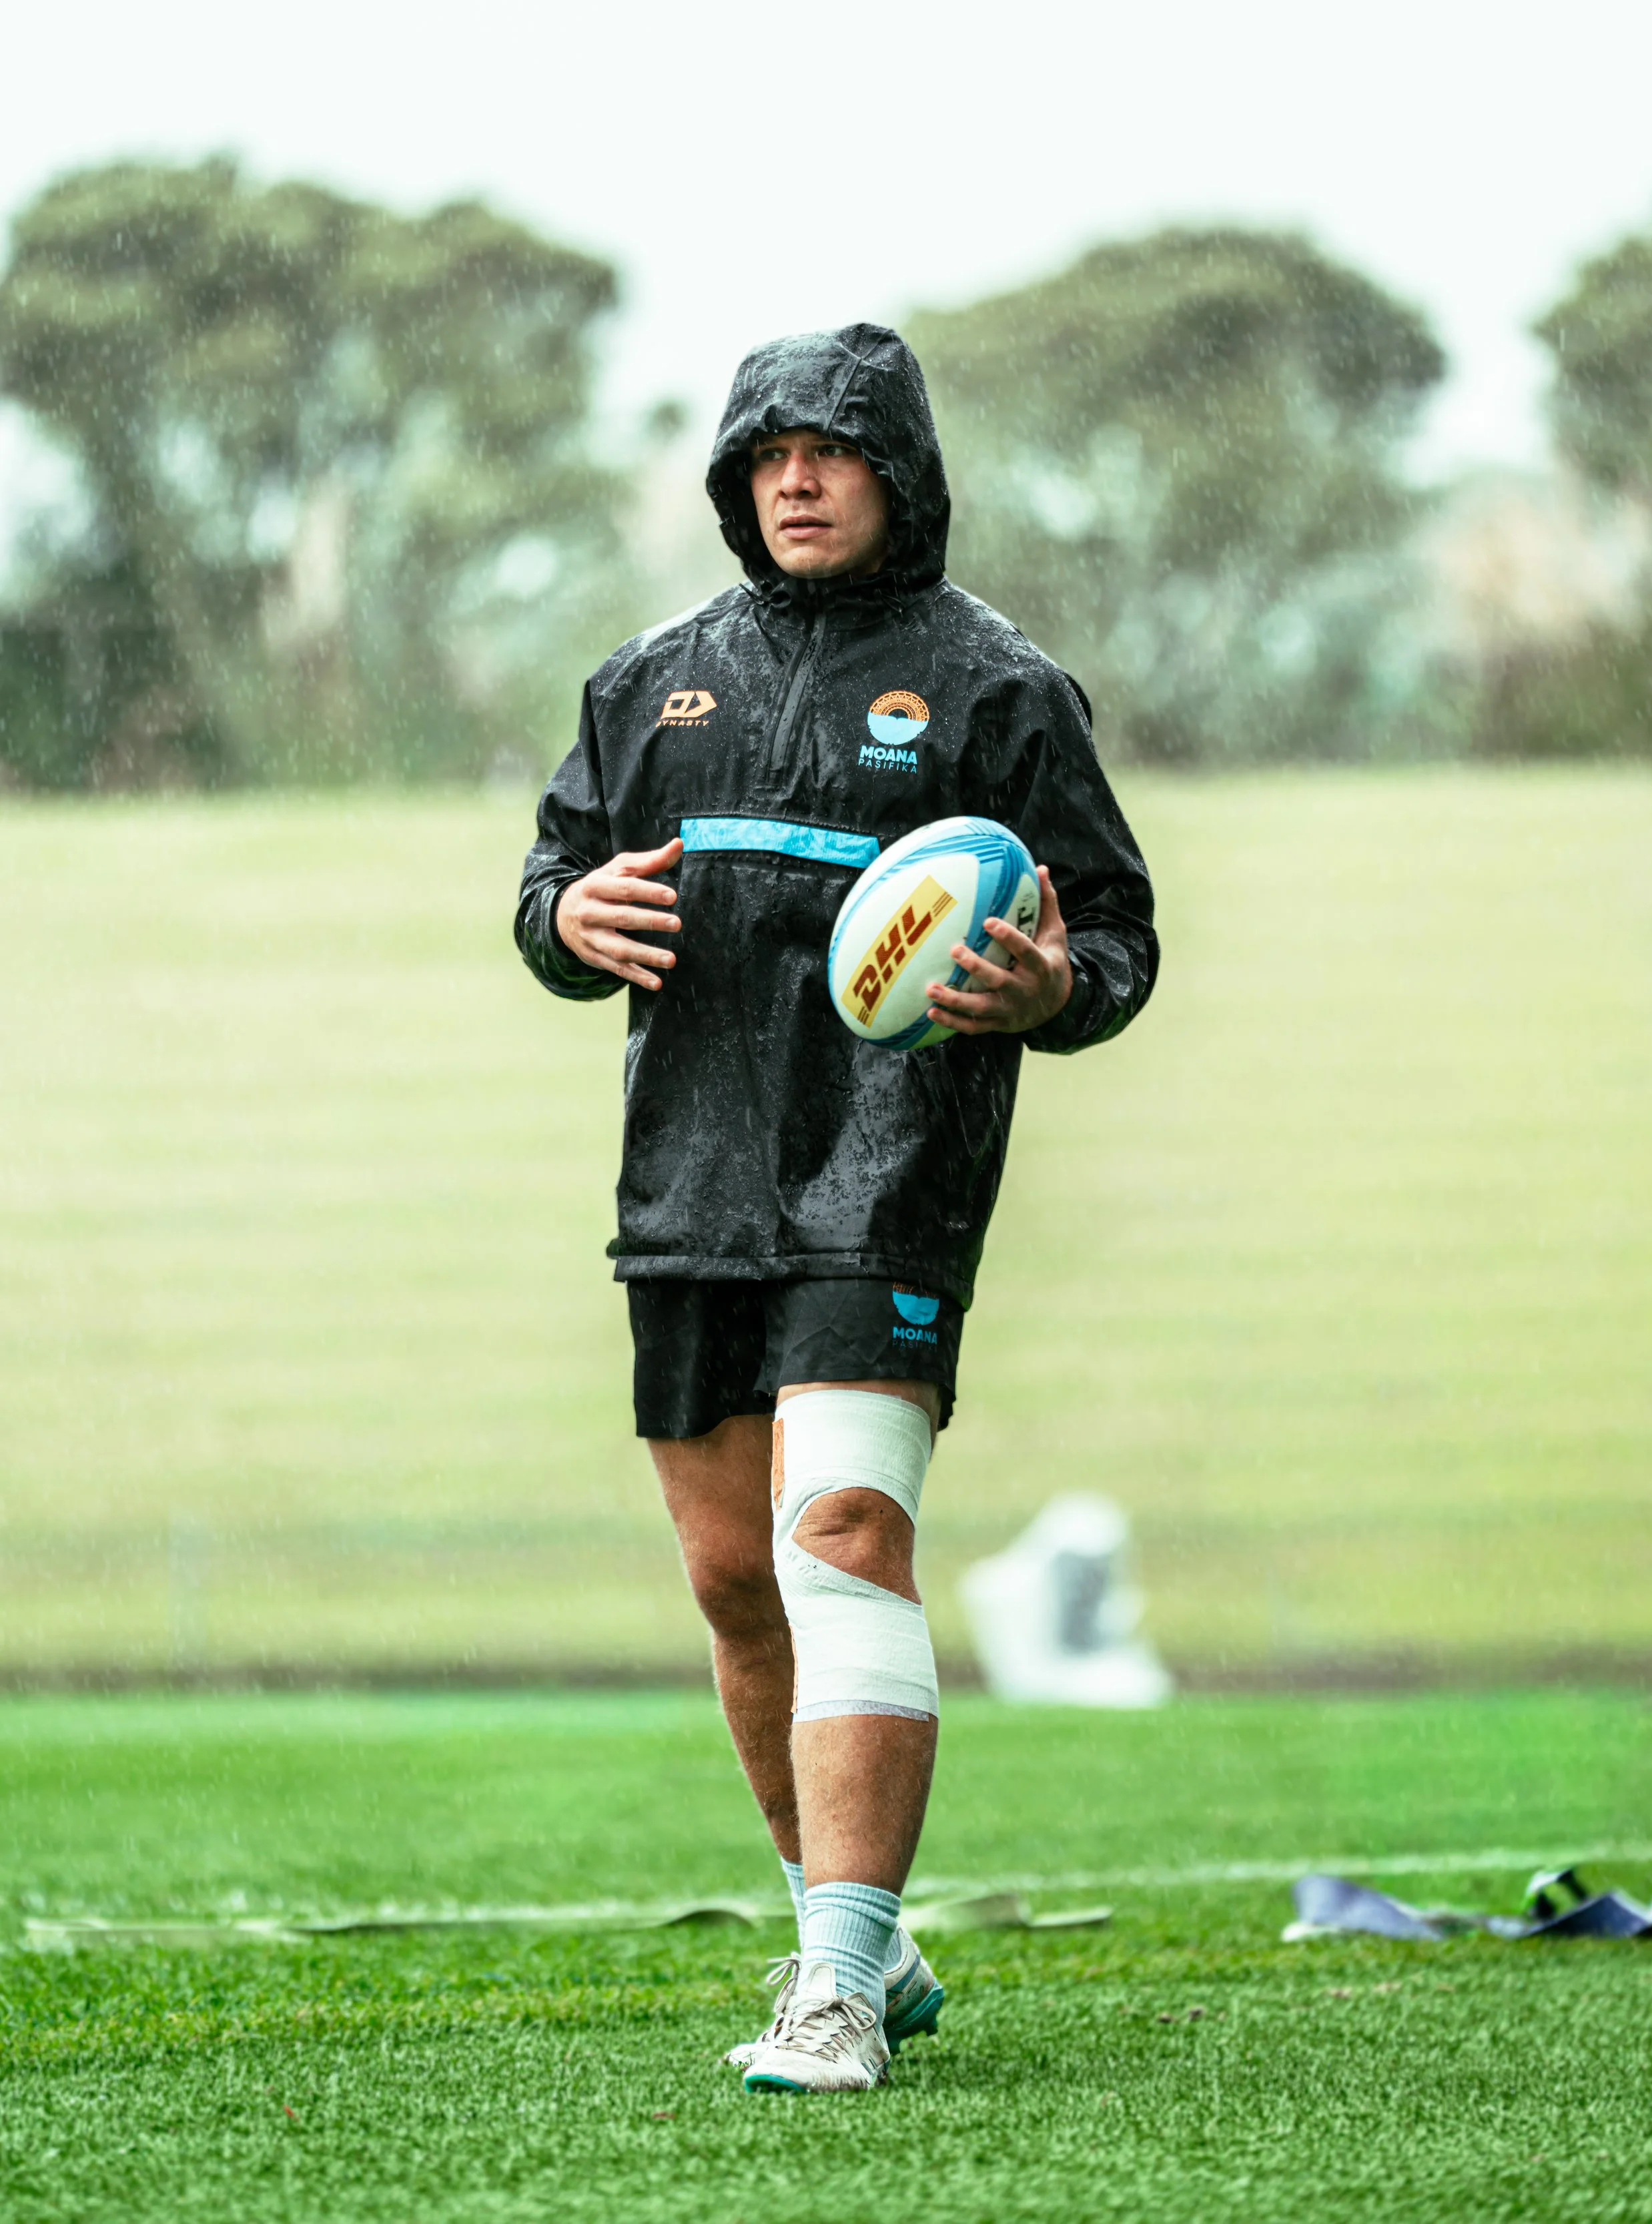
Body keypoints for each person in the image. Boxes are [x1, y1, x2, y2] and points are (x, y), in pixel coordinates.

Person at [516, 324, 1158, 2093]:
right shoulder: (649, 681)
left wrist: (1052, 990)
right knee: (737, 1583)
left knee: (844, 1535)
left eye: (831, 450)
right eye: (766, 454)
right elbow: (556, 883)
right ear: (734, 481)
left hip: (891, 1178)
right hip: (689, 1181)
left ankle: (835, 1989)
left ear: (898, 471)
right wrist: (562, 924)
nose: (795, 478)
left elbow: (1114, 936)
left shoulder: (993, 689)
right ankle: (860, 1923)